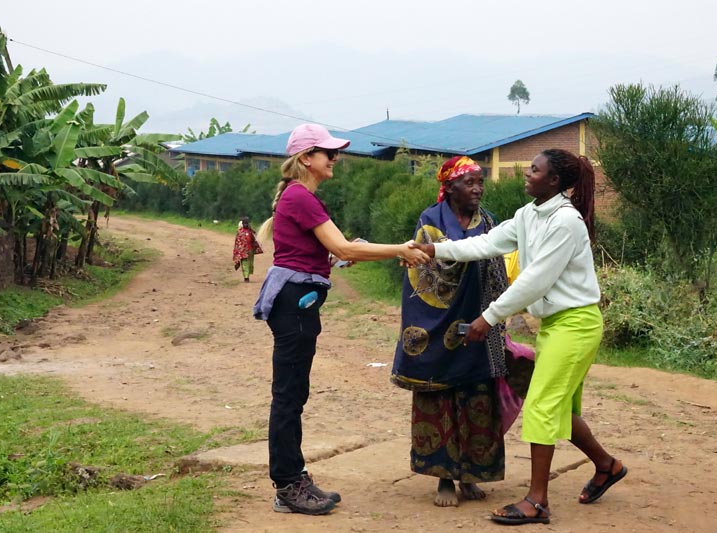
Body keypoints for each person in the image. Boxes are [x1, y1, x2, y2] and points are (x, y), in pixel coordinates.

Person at [409, 149, 627, 525]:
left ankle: (537, 501)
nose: (527, 174)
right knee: (559, 409)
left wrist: (488, 318)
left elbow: (534, 280)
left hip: (576, 324)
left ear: (554, 181)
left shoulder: (565, 222)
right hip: (555, 325)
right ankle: (607, 466)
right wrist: (435, 249)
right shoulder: (529, 216)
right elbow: (486, 244)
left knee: (542, 407)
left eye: (535, 170)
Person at [253, 123, 429, 516]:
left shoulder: (299, 196)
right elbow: (342, 245)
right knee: (288, 396)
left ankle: (293, 477)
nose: (335, 158)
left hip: (299, 301)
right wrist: (399, 248)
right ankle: (286, 485)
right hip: (295, 304)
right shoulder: (301, 197)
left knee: (293, 393)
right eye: (327, 152)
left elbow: (332, 252)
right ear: (305, 159)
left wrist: (351, 254)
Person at [391, 156, 509, 507]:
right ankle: (444, 477)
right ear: (450, 187)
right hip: (437, 322)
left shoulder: (488, 221)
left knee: (478, 398)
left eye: (480, 181)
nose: (477, 188)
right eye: (469, 182)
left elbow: (497, 268)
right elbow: (423, 276)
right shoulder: (431, 221)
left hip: (479, 322)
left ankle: (471, 474)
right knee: (439, 395)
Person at [233, 216, 262, 282]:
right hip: (243, 251)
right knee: (244, 263)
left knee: (250, 264)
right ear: (242, 224)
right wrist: (237, 253)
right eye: (244, 223)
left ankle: (247, 275)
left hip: (250, 250)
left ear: (248, 223)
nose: (245, 224)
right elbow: (237, 243)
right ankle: (246, 278)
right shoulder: (239, 232)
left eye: (247, 223)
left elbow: (255, 239)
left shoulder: (250, 231)